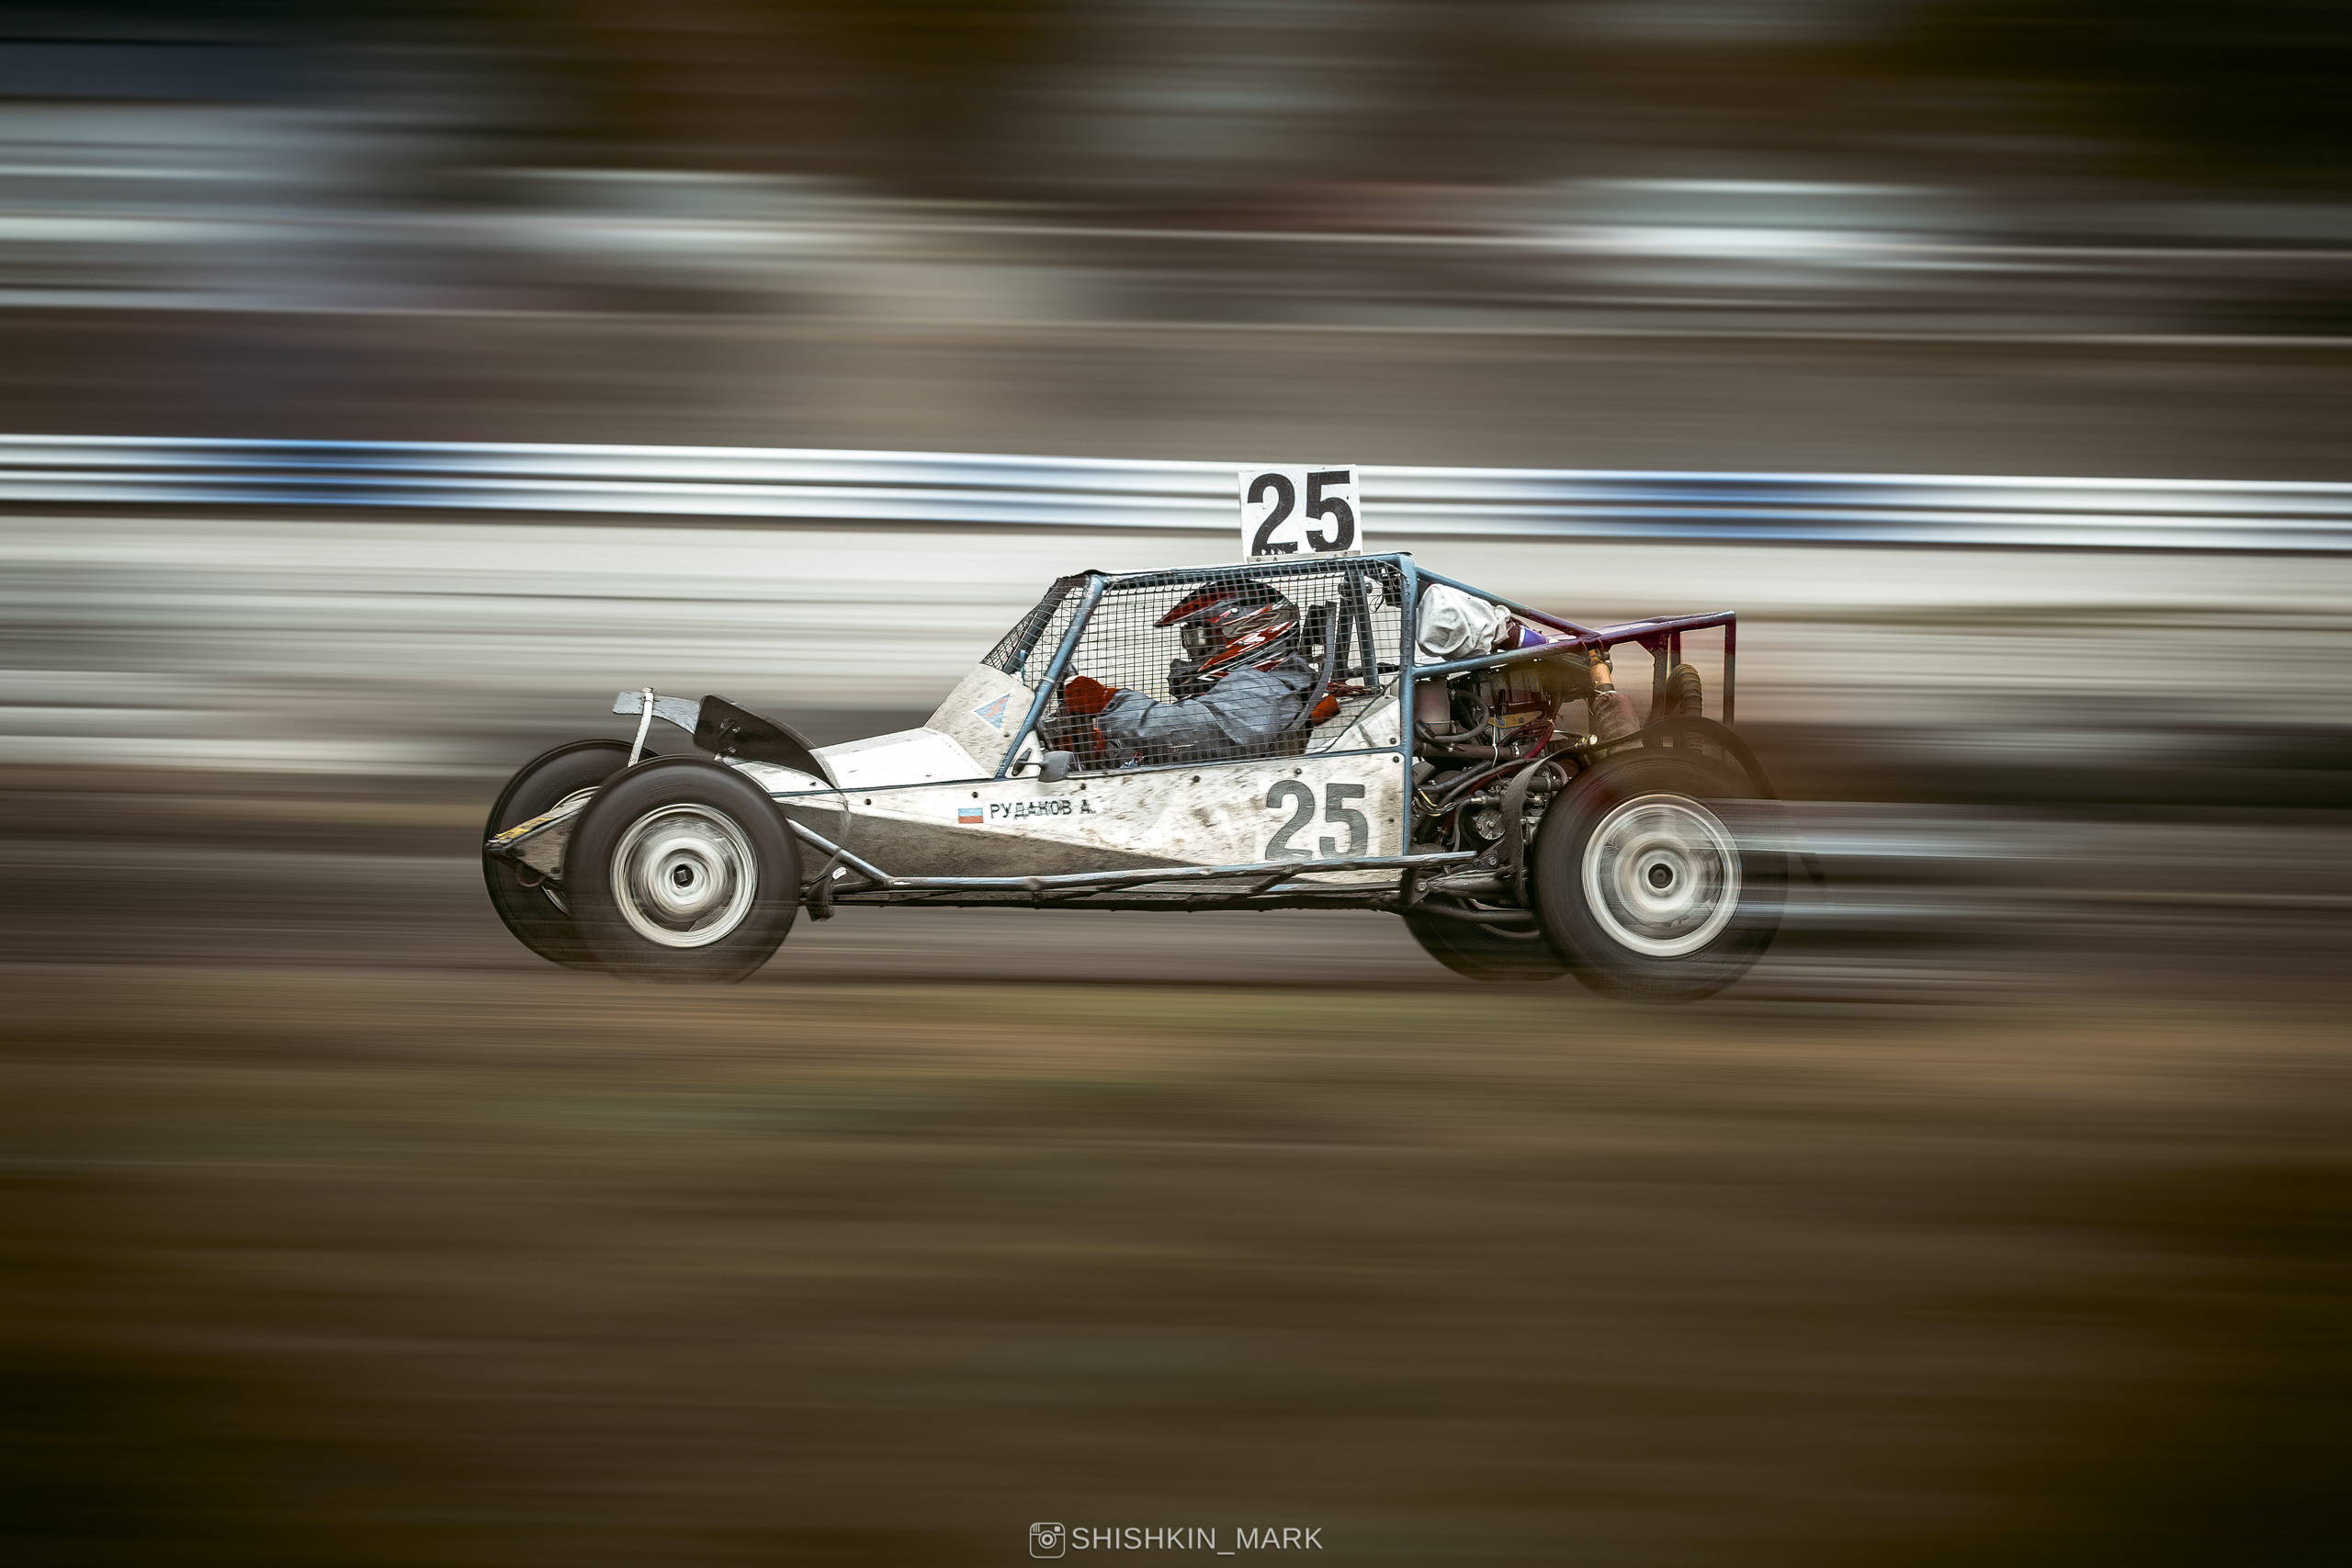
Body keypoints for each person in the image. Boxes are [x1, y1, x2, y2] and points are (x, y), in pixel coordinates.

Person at [1058, 581, 1322, 767]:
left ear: (1249, 633)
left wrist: (1107, 702)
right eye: (1190, 639)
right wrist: (1103, 747)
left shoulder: (1266, 689)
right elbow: (1179, 749)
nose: (1193, 651)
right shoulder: (1255, 688)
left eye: (1200, 637)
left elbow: (1184, 728)